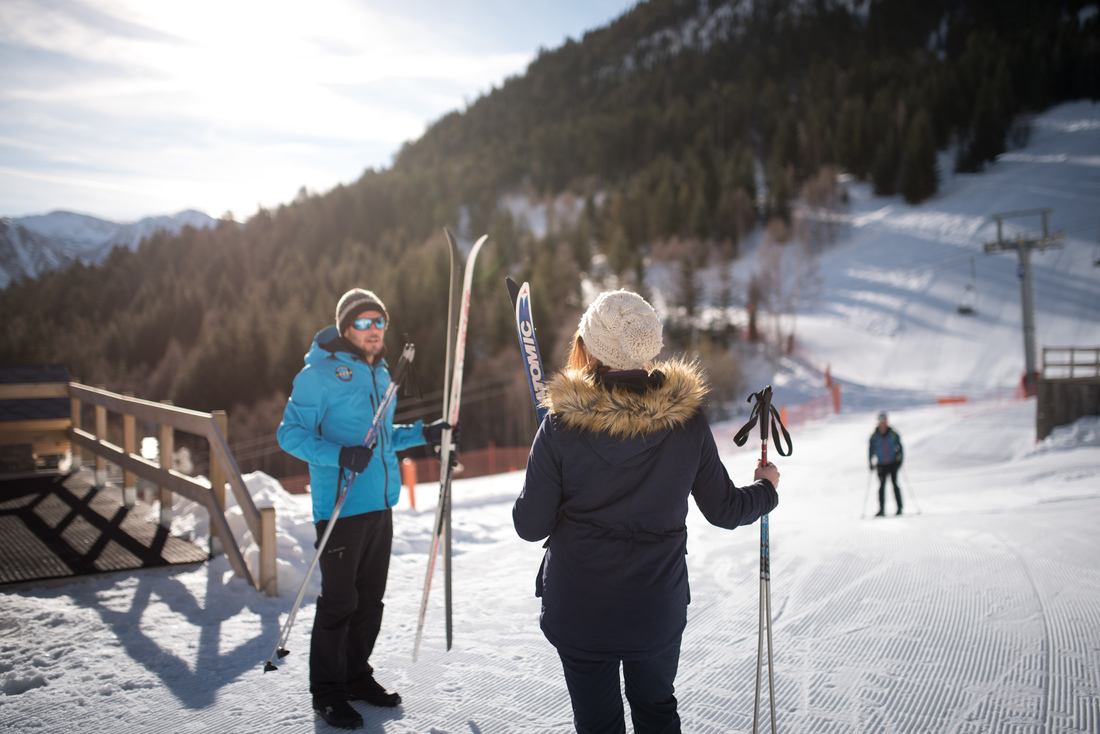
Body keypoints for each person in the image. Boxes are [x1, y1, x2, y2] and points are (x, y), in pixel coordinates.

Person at [512, 289, 780, 734]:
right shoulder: (685, 420)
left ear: (591, 346)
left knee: (597, 723)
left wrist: (545, 474)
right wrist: (765, 489)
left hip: (580, 609)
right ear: (648, 344)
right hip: (655, 605)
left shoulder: (561, 424)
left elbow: (529, 525)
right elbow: (724, 509)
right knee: (656, 711)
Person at [277, 287, 452, 730]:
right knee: (339, 602)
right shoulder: (318, 374)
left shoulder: (381, 372)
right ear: (345, 327)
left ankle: (356, 675)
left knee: (370, 601)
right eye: (363, 322)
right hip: (341, 506)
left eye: (379, 322)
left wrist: (424, 434)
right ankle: (328, 693)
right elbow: (289, 434)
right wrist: (338, 454)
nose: (374, 330)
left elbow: (383, 437)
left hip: (379, 503)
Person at [868, 411, 904, 517]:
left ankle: (899, 508)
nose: (883, 423)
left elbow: (900, 447)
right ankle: (881, 509)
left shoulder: (893, 434)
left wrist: (900, 459)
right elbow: (871, 450)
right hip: (881, 464)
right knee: (881, 486)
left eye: (884, 421)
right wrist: (870, 461)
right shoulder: (874, 436)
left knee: (895, 485)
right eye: (881, 421)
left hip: (893, 463)